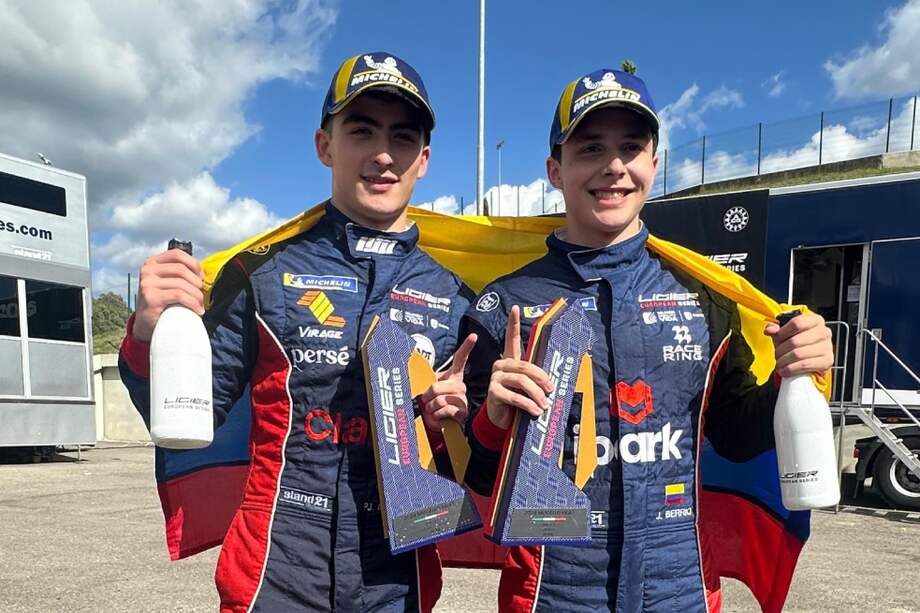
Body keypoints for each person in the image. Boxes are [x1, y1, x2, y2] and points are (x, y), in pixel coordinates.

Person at [461, 68, 834, 612]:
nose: (613, 166)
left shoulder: (705, 293)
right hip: (551, 594)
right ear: (555, 170)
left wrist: (792, 376)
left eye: (631, 147)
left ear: (654, 165)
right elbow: (473, 471)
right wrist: (493, 423)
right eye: (590, 148)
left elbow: (733, 435)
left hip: (679, 589)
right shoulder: (506, 304)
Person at [118, 52, 477, 613]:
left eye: (402, 138)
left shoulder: (458, 297)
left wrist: (459, 425)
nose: (383, 155)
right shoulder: (260, 273)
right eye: (361, 131)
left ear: (424, 159)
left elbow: (481, 461)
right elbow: (189, 413)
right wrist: (147, 334)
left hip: (399, 575)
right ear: (325, 145)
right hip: (276, 570)